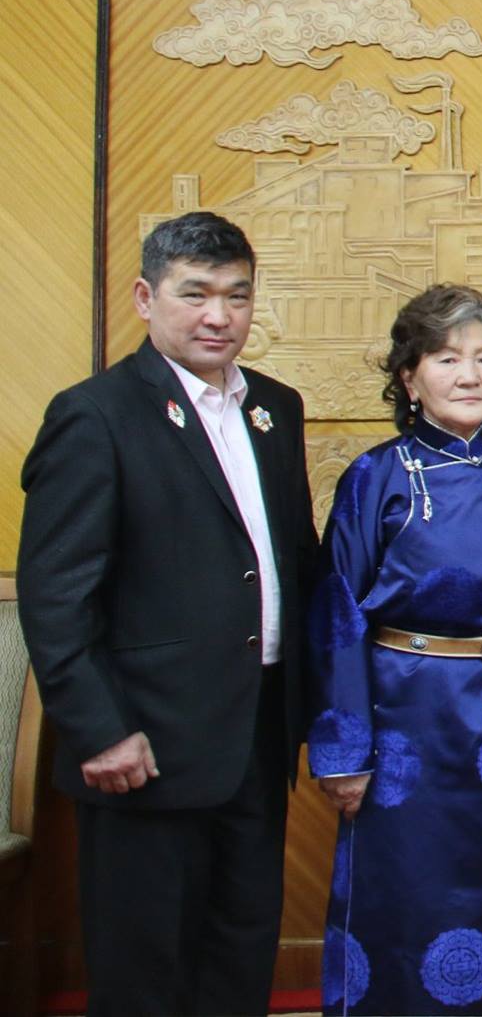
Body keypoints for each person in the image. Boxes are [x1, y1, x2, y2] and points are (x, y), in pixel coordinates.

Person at [18, 212, 320, 1016]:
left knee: (239, 945)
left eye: (236, 296)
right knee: (146, 964)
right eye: (196, 294)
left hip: (255, 729)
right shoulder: (97, 414)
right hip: (142, 741)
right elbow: (55, 591)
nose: (218, 316)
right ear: (147, 298)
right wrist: (98, 728)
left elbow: (293, 557)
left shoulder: (275, 409)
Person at [306, 285, 482, 1015]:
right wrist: (343, 749)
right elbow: (337, 614)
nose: (470, 374)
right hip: (413, 724)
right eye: (448, 357)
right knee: (418, 894)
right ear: (409, 375)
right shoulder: (376, 477)